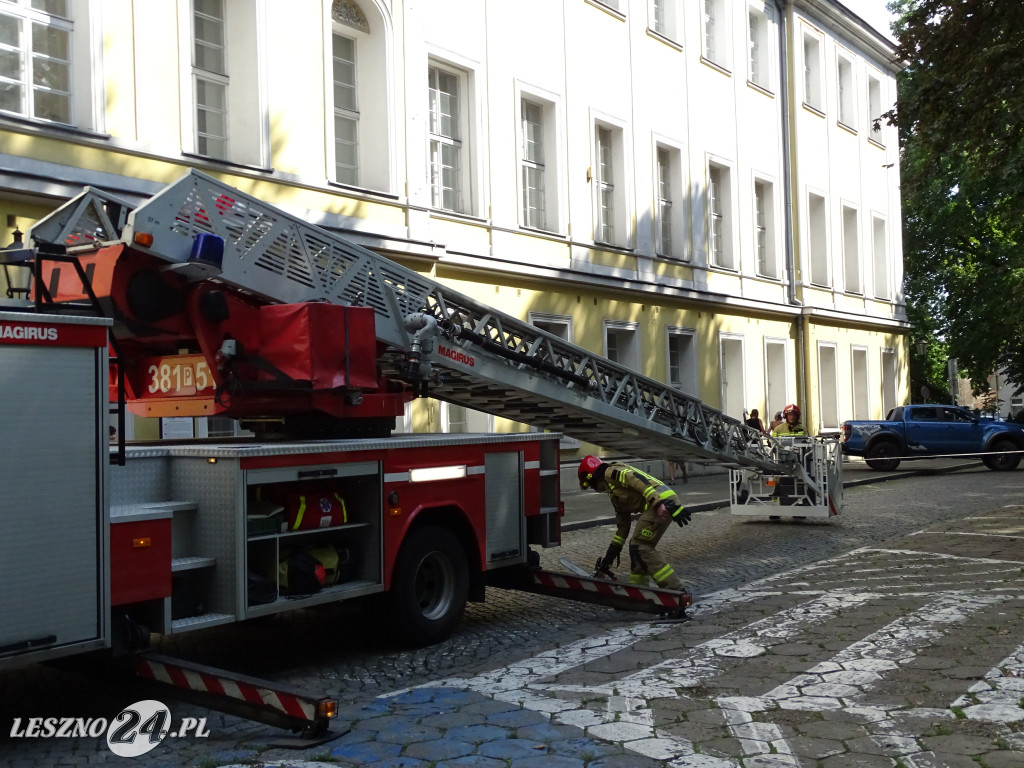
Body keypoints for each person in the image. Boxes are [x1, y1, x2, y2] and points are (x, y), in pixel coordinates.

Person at [578, 455, 690, 590]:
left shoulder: (611, 473)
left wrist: (658, 503)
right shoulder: (615, 494)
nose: (594, 489)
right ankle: (639, 591)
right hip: (659, 502)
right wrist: (607, 561)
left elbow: (637, 480)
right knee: (636, 547)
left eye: (590, 485)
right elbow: (622, 529)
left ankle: (676, 591)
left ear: (593, 477)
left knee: (641, 546)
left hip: (661, 502)